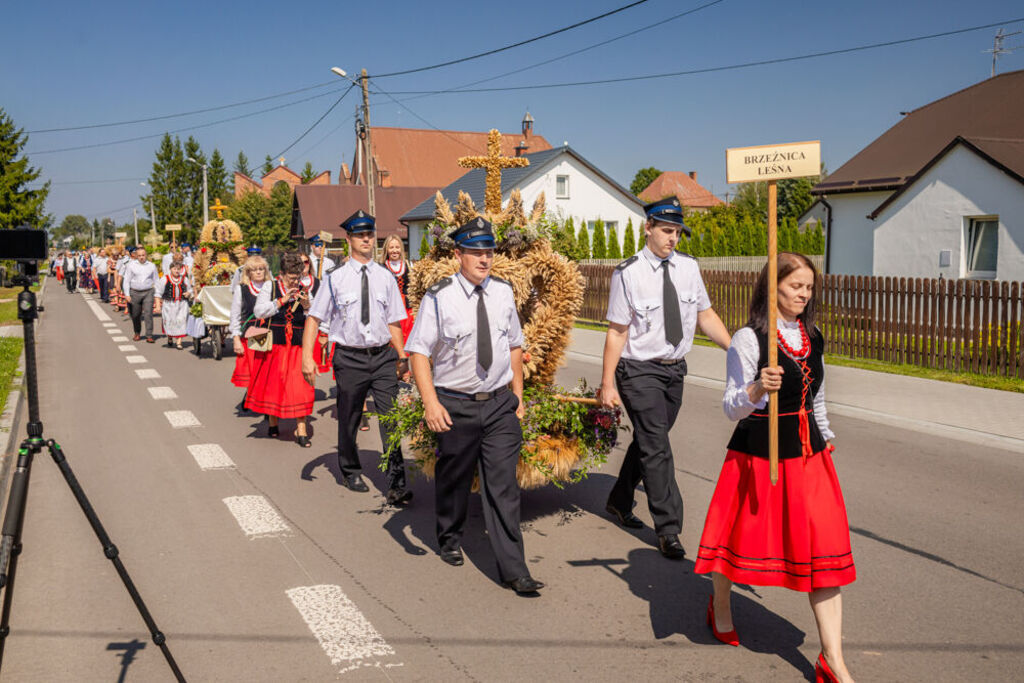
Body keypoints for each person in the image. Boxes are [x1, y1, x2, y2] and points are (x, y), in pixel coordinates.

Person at [694, 252, 856, 683]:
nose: (804, 293)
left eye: (808, 286)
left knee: (825, 552)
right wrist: (755, 387)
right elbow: (731, 407)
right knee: (736, 541)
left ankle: (833, 660)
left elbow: (817, 396)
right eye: (794, 286)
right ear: (772, 287)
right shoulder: (750, 339)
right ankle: (722, 605)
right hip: (757, 455)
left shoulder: (812, 334)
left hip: (809, 455)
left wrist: (826, 437)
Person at [404, 218, 543, 595]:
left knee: (504, 487)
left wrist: (518, 395)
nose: (485, 259)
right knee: (455, 480)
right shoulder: (439, 296)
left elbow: (514, 344)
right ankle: (449, 535)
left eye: (489, 251)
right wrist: (430, 403)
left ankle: (515, 570)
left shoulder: (502, 293)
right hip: (455, 405)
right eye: (476, 252)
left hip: (499, 405)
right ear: (458, 254)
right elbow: (417, 351)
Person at [599, 196, 732, 560]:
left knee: (650, 440)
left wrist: (734, 348)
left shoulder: (689, 268)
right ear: (649, 228)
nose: (673, 238)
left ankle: (619, 499)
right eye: (667, 231)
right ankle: (669, 528)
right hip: (638, 370)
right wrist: (607, 382)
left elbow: (705, 315)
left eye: (678, 232)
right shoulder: (628, 273)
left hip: (674, 370)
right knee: (657, 445)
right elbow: (616, 331)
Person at [301, 210, 411, 503]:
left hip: (383, 357)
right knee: (349, 418)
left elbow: (394, 321)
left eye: (370, 234)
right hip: (349, 358)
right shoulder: (335, 278)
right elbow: (314, 318)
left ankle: (397, 481)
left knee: (391, 419)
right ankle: (350, 470)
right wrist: (306, 357)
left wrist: (403, 357)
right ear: (348, 239)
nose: (366, 239)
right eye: (360, 235)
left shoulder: (385, 277)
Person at [246, 253, 316, 446]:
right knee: (274, 384)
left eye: (298, 277)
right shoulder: (271, 286)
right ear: (282, 274)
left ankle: (301, 430)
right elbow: (259, 311)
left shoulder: (304, 287)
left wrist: (306, 304)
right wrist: (282, 300)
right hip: (274, 344)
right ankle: (273, 421)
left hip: (296, 344)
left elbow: (314, 315)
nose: (295, 281)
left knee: (300, 386)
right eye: (291, 277)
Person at [229, 255, 271, 392]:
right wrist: (236, 339)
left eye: (261, 269)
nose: (258, 272)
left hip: (270, 333)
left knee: (269, 369)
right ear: (248, 273)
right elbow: (235, 315)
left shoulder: (272, 287)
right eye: (254, 270)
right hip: (250, 334)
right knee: (254, 369)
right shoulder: (242, 289)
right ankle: (251, 394)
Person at [380, 235, 414, 342]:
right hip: (389, 307)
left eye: (397, 247)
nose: (394, 250)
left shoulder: (408, 265)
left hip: (407, 308)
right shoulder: (381, 267)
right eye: (391, 248)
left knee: (408, 336)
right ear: (386, 249)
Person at [154, 256, 193, 349]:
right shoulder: (165, 279)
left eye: (178, 269)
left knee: (182, 321)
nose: (177, 271)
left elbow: (190, 290)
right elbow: (158, 292)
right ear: (170, 269)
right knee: (170, 322)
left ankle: (179, 342)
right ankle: (170, 337)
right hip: (169, 304)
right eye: (174, 269)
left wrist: (188, 293)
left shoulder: (184, 279)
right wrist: (158, 305)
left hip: (182, 304)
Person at [122, 246, 159, 342]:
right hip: (134, 292)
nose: (141, 257)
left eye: (143, 255)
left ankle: (149, 335)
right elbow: (126, 280)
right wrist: (127, 294)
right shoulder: (131, 265)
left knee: (148, 314)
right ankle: (137, 332)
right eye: (139, 255)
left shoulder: (152, 266)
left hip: (148, 292)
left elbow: (156, 280)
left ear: (146, 255)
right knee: (136, 314)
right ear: (136, 256)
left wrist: (158, 295)